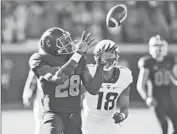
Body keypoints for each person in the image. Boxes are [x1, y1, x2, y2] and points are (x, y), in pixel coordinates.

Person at [29, 27, 114, 134]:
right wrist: (77, 55)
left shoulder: (78, 58)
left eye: (67, 40)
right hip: (53, 113)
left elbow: (93, 89)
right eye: (63, 42)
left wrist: (100, 65)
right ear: (50, 44)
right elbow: (58, 77)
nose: (68, 44)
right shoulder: (39, 59)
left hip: (74, 114)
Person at [81, 39, 133, 134]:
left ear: (117, 56)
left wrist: (122, 116)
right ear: (97, 56)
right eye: (104, 55)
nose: (107, 58)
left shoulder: (124, 75)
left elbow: (125, 107)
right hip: (89, 124)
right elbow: (76, 99)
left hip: (110, 124)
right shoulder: (89, 72)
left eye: (110, 54)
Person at [137, 35, 177, 134]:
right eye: (155, 46)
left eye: (160, 46)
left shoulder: (170, 61)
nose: (158, 49)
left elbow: (174, 77)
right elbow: (140, 84)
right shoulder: (148, 62)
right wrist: (147, 97)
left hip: (169, 98)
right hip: (156, 99)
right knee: (164, 125)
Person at [22, 70, 42, 134]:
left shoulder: (40, 61)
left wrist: (27, 95)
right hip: (42, 99)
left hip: (43, 100)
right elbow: (33, 79)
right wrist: (28, 94)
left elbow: (32, 80)